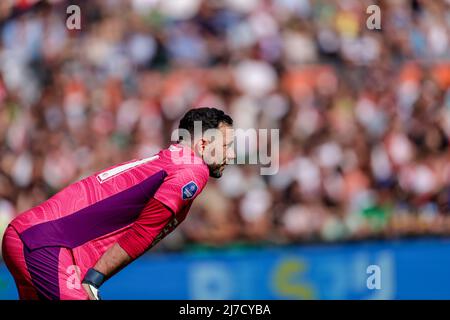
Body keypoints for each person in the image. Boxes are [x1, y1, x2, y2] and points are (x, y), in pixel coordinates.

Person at [1, 107, 236, 300]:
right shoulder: (193, 170)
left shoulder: (170, 162)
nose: (231, 155)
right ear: (204, 145)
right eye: (226, 146)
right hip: (46, 244)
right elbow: (144, 231)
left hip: (36, 238)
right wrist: (94, 279)